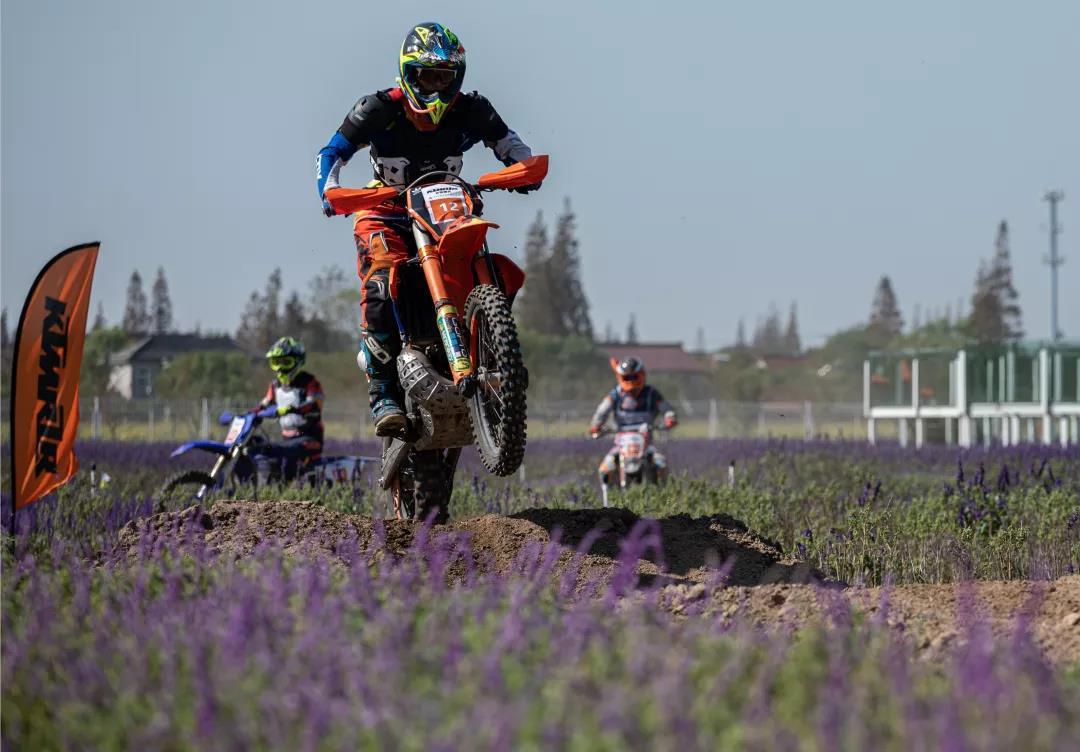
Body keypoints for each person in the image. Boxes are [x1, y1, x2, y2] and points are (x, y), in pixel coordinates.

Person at [315, 22, 540, 436]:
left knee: (488, 266)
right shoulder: (378, 109)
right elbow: (332, 151)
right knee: (381, 281)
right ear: (408, 73)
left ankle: (496, 355)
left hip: (447, 209)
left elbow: (509, 142)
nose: (436, 87)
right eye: (427, 76)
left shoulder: (472, 110)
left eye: (444, 78)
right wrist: (329, 190)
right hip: (384, 207)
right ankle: (382, 391)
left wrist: (523, 169)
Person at [589, 357, 678, 484]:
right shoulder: (616, 394)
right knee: (605, 470)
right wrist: (596, 425)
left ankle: (664, 493)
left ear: (641, 375)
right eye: (627, 378)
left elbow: (666, 409)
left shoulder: (651, 394)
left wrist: (670, 418)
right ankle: (608, 495)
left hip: (646, 445)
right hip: (621, 445)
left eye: (634, 377)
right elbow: (602, 411)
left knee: (661, 465)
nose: (631, 381)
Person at [254, 337, 325, 482]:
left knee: (277, 453)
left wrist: (292, 409)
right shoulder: (275, 386)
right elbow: (263, 404)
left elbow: (314, 404)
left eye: (286, 362)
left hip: (309, 438)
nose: (280, 368)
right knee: (267, 456)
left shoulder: (309, 382)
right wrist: (246, 415)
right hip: (287, 439)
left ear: (298, 362)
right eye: (276, 362)